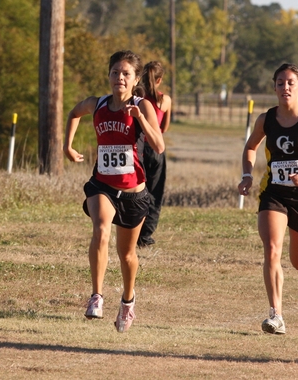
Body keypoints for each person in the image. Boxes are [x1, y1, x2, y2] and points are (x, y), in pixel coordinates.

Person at [63, 50, 165, 332]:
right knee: (101, 228)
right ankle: (96, 296)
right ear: (108, 75)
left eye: (126, 74)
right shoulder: (98, 104)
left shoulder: (143, 105)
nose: (119, 77)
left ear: (135, 79)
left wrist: (141, 119)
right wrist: (67, 146)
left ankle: (128, 301)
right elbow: (73, 113)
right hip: (102, 185)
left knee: (127, 255)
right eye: (115, 72)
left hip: (133, 192)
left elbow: (159, 146)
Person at [238, 63, 298, 334]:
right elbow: (250, 147)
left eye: (291, 83)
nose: (285, 87)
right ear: (274, 88)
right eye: (280, 83)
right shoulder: (266, 119)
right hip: (275, 193)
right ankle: (276, 315)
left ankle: (279, 307)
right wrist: (247, 175)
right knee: (272, 249)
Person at [137, 61, 172, 247]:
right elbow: (164, 128)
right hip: (155, 147)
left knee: (136, 190)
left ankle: (132, 230)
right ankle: (145, 236)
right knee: (154, 192)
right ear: (159, 80)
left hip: (138, 145)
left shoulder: (137, 97)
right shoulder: (164, 100)